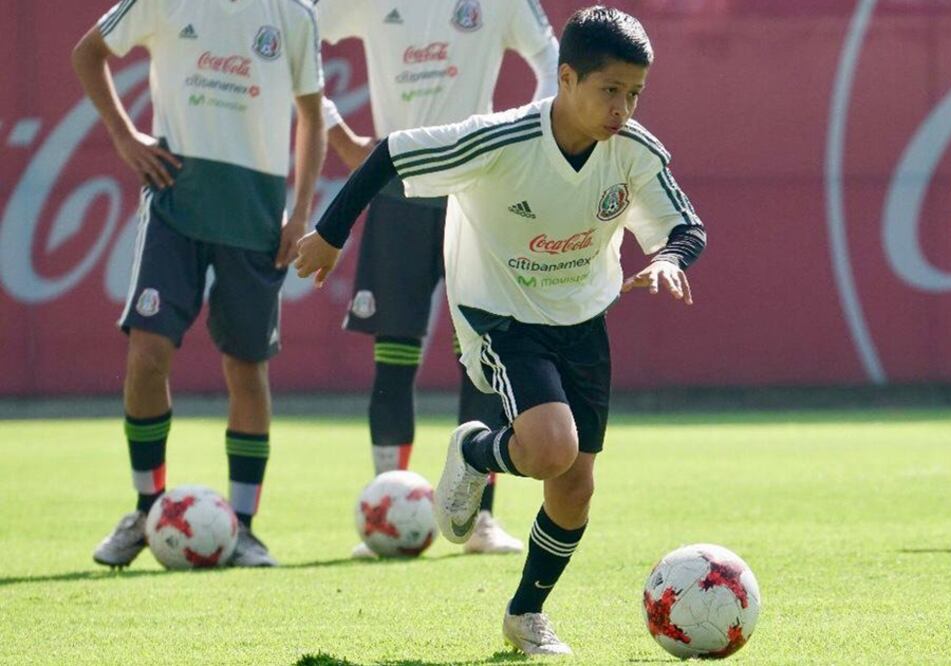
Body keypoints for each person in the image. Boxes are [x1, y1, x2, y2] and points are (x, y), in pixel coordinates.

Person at [296, 5, 705, 654]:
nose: (621, 107)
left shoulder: (631, 152)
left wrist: (665, 261)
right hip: (499, 313)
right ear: (564, 79)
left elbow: (685, 227)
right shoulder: (499, 139)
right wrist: (328, 232)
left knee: (573, 488)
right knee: (549, 448)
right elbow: (391, 155)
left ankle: (523, 615)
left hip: (581, 318)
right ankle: (477, 452)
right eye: (609, 91)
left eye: (633, 93)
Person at [73, 0, 326, 568]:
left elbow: (312, 116)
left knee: (246, 367)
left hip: (255, 216)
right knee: (146, 354)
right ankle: (146, 507)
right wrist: (123, 136)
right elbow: (87, 53)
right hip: (174, 204)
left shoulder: (295, 15)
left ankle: (244, 528)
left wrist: (301, 213)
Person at [315, 0, 560, 558]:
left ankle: (478, 520)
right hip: (396, 190)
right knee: (394, 354)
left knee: (481, 356)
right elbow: (295, 35)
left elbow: (552, 60)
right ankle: (386, 508)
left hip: (475, 195)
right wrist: (335, 130)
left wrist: (516, 134)